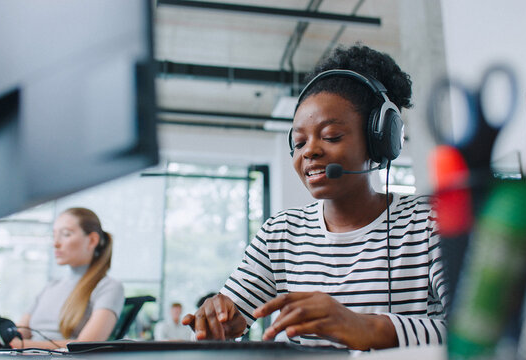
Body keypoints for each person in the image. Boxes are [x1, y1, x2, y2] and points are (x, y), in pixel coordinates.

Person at [182, 44, 446, 350]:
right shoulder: (280, 233)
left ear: (378, 140)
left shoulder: (430, 222)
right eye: (299, 142)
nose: (309, 151)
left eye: (331, 136)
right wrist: (215, 323)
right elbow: (231, 319)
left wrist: (370, 327)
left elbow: (479, 335)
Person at [11, 207, 124, 349]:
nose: (55, 243)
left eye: (65, 234)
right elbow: (19, 333)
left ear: (92, 240)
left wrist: (22, 345)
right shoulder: (50, 287)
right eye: (54, 235)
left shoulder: (108, 287)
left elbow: (86, 346)